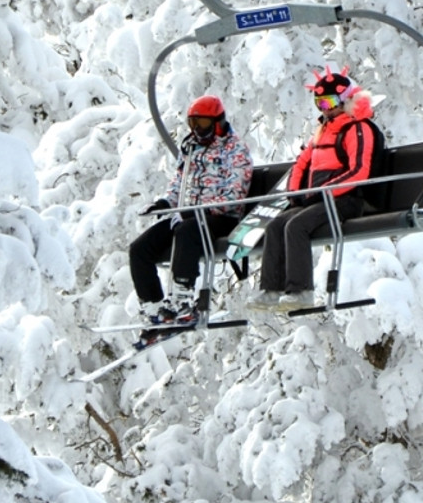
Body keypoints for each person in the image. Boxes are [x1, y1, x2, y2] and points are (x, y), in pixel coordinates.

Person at [249, 66, 379, 312]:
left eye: (329, 102)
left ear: (345, 100)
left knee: (296, 226)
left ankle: (301, 291)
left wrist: (325, 191)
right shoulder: (323, 131)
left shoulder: (357, 128)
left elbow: (359, 170)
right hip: (320, 200)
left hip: (347, 199)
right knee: (276, 224)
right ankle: (271, 289)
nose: (325, 109)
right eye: (319, 104)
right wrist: (296, 195)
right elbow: (301, 164)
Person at [129, 95, 253, 326]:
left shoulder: (234, 149)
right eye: (193, 124)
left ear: (217, 122)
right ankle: (153, 306)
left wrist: (200, 210)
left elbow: (236, 192)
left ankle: (182, 299)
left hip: (222, 216)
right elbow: (179, 184)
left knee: (187, 230)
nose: (197, 130)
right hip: (189, 215)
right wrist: (166, 203)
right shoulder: (191, 148)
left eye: (203, 124)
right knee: (140, 248)